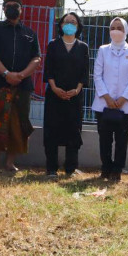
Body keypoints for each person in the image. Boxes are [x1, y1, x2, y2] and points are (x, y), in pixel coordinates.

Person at [0, 0, 41, 172]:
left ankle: (9, 162)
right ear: (3, 8)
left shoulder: (30, 33)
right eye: (9, 5)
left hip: (21, 87)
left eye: (16, 5)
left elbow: (36, 59)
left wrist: (20, 75)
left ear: (21, 9)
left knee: (18, 123)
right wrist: (6, 73)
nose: (12, 8)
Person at [92, 17, 128, 181]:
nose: (116, 30)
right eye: (113, 27)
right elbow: (97, 75)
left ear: (125, 30)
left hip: (125, 105)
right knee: (104, 138)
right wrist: (106, 96)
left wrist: (123, 98)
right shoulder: (103, 50)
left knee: (121, 139)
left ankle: (117, 170)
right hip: (103, 103)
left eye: (119, 27)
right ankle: (105, 168)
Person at [43, 12, 89, 178]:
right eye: (66, 21)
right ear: (61, 25)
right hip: (54, 95)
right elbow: (48, 69)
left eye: (73, 22)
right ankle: (51, 168)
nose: (70, 24)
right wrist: (54, 88)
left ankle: (70, 168)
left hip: (75, 96)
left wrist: (76, 90)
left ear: (78, 26)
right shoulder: (53, 45)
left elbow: (85, 72)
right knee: (51, 131)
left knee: (74, 131)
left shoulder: (83, 47)